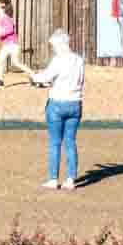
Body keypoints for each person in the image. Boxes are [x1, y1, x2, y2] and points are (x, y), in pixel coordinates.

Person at [30, 28, 84, 190]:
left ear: (60, 44)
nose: (53, 49)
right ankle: (70, 180)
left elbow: (45, 77)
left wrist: (34, 77)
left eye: (54, 46)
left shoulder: (58, 60)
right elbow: (77, 81)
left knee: (54, 142)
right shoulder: (79, 60)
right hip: (75, 104)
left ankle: (53, 179)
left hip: (57, 105)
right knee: (70, 141)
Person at [0, 0, 31, 87]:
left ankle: (34, 76)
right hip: (9, 44)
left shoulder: (5, 18)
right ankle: (0, 80)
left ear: (3, 8)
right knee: (6, 61)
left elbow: (10, 29)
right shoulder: (1, 18)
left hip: (11, 44)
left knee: (7, 61)